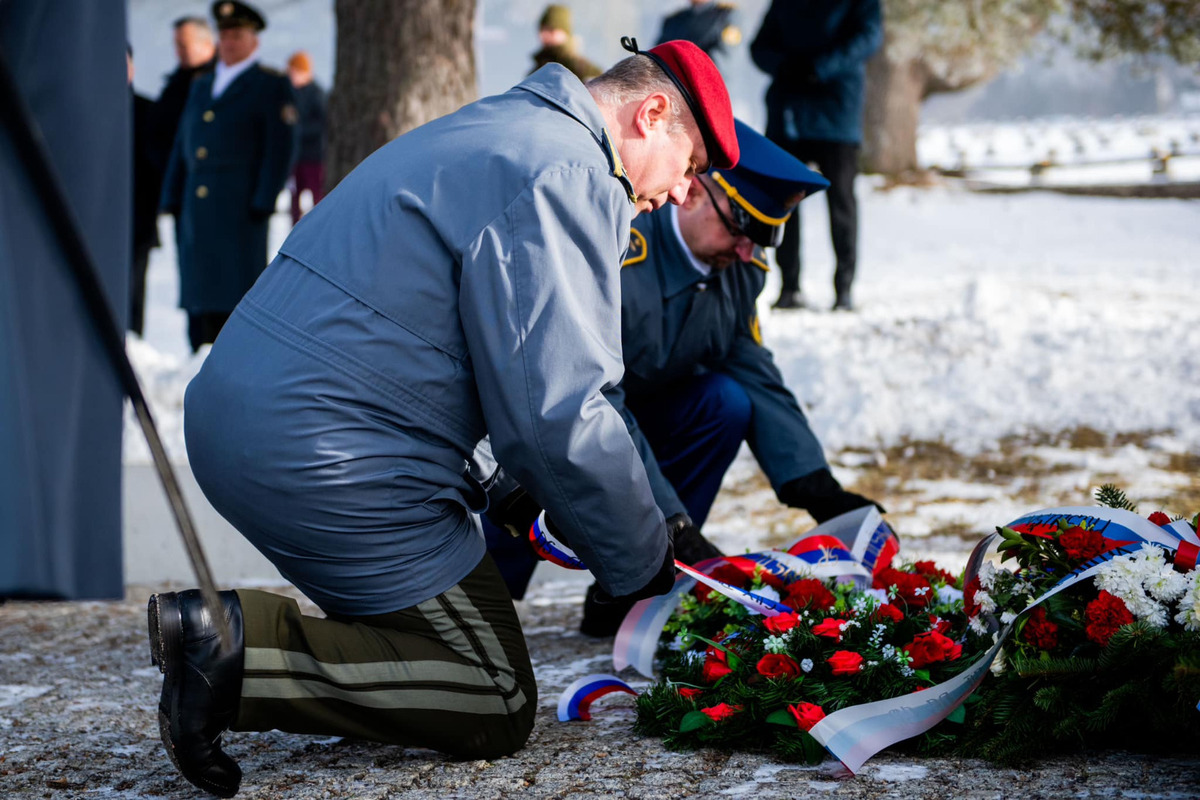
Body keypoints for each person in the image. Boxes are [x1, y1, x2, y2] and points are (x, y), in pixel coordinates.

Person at [147, 38, 738, 796]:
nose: (684, 193)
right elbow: (560, 409)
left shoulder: (503, 128)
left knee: (443, 632)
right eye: (691, 165)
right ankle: (230, 651)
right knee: (492, 691)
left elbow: (446, 341)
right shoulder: (568, 171)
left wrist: (504, 488)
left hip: (250, 414)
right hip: (329, 449)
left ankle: (240, 644)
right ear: (651, 114)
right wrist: (642, 555)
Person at [484, 120, 884, 635]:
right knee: (508, 553)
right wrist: (669, 521)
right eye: (742, 227)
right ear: (693, 193)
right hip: (558, 421)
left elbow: (750, 366)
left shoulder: (741, 270)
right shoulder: (617, 257)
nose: (748, 250)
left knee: (725, 402)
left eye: (765, 237)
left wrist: (813, 484)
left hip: (640, 420)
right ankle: (489, 591)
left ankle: (633, 586)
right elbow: (590, 396)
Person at [159, 0, 298, 353]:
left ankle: (232, 360)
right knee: (198, 291)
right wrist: (172, 195)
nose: (230, 43)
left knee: (234, 293)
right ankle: (196, 356)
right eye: (225, 35)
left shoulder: (269, 84)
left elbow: (279, 148)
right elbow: (183, 143)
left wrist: (264, 199)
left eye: (237, 35)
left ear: (254, 40)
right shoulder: (203, 84)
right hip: (196, 207)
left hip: (239, 207)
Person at [750, 0, 883, 311]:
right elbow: (759, 47)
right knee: (784, 202)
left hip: (837, 116)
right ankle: (789, 287)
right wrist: (786, 67)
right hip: (788, 115)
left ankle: (844, 289)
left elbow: (868, 38)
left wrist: (819, 68)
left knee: (842, 203)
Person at [152, 16, 217, 173]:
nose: (177, 53)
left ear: (206, 44)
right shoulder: (178, 80)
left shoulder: (219, 82)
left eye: (183, 46)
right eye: (176, 46)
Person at [129, 45, 162, 337]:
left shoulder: (147, 110)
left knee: (133, 290)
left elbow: (157, 168)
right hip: (89, 221)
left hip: (137, 218)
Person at [286, 50, 327, 225]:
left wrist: (297, 130)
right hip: (296, 156)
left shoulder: (317, 93)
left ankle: (319, 227)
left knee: (317, 196)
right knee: (295, 197)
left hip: (314, 156)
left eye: (294, 72)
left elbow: (323, 124)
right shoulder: (291, 93)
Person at [530, 4, 602, 81]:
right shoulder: (537, 71)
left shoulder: (583, 69)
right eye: (542, 29)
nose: (544, 35)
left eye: (551, 30)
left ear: (565, 32)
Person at [657, 1, 742, 63]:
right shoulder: (673, 20)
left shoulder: (726, 15)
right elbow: (659, 55)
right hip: (673, 80)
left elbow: (724, 56)